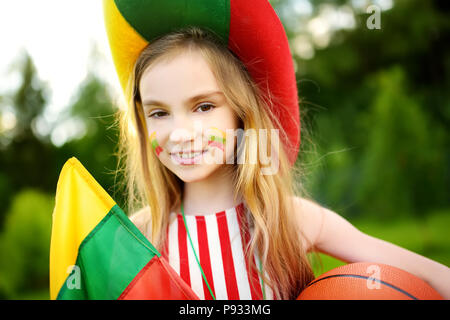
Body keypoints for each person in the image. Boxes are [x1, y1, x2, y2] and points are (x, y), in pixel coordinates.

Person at [104, 1, 450, 300]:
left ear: (241, 112)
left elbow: (432, 276)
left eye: (204, 106)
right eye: (159, 113)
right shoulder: (137, 237)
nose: (180, 134)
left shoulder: (289, 219)